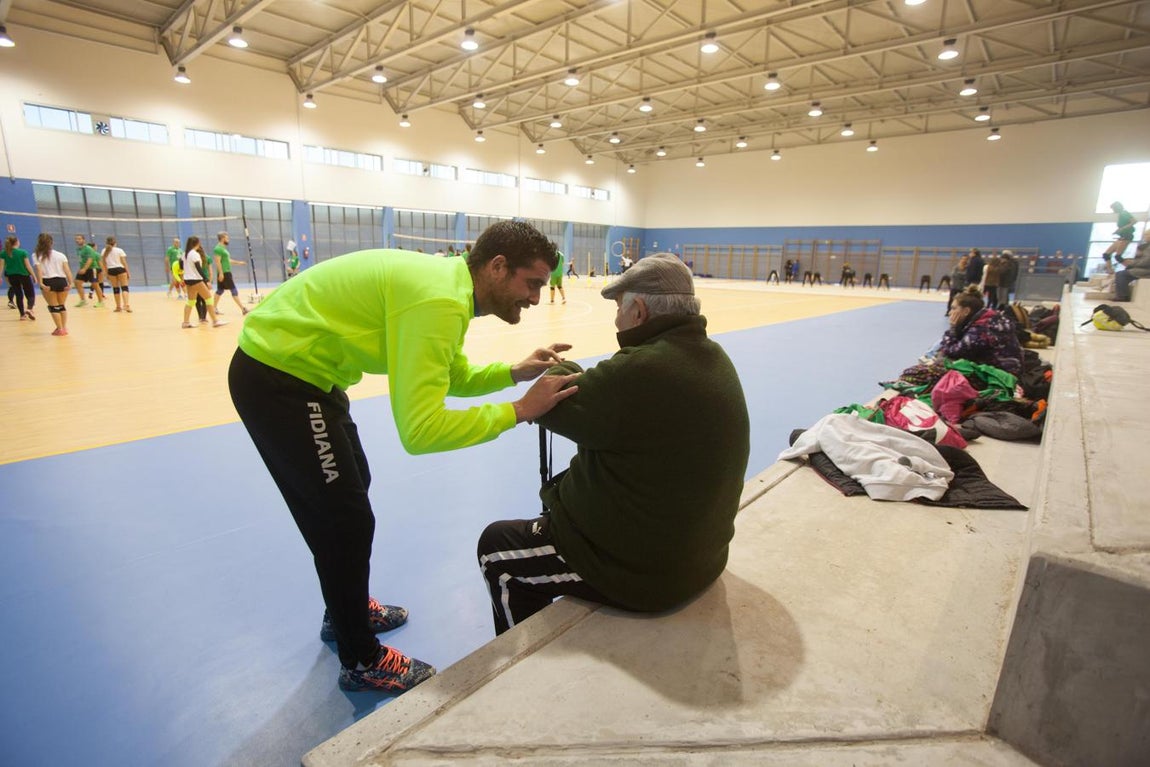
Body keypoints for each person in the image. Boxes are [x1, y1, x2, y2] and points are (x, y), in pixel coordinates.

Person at [227, 220, 579, 694]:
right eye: (532, 283)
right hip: (279, 378)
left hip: (310, 376)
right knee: (344, 518)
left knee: (350, 493)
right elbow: (421, 431)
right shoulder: (438, 300)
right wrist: (519, 411)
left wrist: (514, 372)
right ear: (497, 268)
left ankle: (344, 607)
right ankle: (360, 658)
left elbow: (447, 374)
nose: (537, 297)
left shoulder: (449, 289)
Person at [476, 253, 751, 636]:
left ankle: (516, 667)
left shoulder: (638, 371)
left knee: (497, 550)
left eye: (620, 307)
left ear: (638, 311)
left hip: (650, 577)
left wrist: (566, 369)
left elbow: (550, 405)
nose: (617, 317)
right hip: (702, 558)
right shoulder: (713, 356)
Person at [937, 286, 1023, 375]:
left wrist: (953, 327)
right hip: (1009, 367)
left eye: (954, 308)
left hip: (998, 374)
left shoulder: (980, 329)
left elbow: (953, 352)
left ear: (966, 311)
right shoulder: (991, 318)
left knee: (942, 360)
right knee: (941, 345)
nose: (950, 312)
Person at [33, 233, 75, 336]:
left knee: (53, 307)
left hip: (48, 281)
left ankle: (59, 329)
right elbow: (67, 270)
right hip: (61, 281)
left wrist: (41, 283)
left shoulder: (36, 255)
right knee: (61, 306)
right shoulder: (60, 255)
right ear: (52, 242)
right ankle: (63, 327)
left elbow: (39, 270)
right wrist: (71, 283)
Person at [181, 236, 226, 329]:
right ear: (197, 243)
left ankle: (185, 322)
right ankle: (215, 321)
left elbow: (181, 265)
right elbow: (198, 269)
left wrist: (188, 272)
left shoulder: (185, 254)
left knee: (191, 301)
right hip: (196, 280)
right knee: (209, 299)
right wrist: (206, 280)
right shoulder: (194, 254)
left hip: (188, 280)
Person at [212, 232, 249, 316]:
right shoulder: (218, 249)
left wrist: (239, 263)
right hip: (225, 273)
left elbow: (228, 260)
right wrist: (221, 273)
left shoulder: (224, 249)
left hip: (226, 272)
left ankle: (214, 309)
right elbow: (217, 262)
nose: (228, 240)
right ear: (222, 238)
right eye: (227, 238)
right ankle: (243, 309)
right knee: (233, 290)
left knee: (220, 291)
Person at [1, 236, 36, 320]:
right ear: (17, 242)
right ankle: (29, 309)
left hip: (12, 276)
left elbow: (1, 266)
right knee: (30, 293)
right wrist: (34, 276)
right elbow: (28, 266)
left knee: (18, 294)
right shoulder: (22, 252)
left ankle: (22, 315)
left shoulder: (3, 253)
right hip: (24, 275)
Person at [73, 234, 105, 308]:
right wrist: (81, 268)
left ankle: (101, 301)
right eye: (76, 239)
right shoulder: (78, 249)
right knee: (77, 282)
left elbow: (90, 259)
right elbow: (81, 260)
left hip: (91, 268)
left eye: (79, 239)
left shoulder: (88, 248)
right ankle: (83, 300)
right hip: (82, 268)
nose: (77, 240)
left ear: (83, 240)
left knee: (95, 284)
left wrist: (85, 269)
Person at [102, 236, 132, 313]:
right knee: (124, 287)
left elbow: (104, 263)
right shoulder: (119, 250)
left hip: (111, 270)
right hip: (120, 269)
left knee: (115, 289)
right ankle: (126, 305)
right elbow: (124, 262)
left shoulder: (103, 251)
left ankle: (118, 307)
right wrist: (128, 272)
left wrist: (106, 273)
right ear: (115, 243)